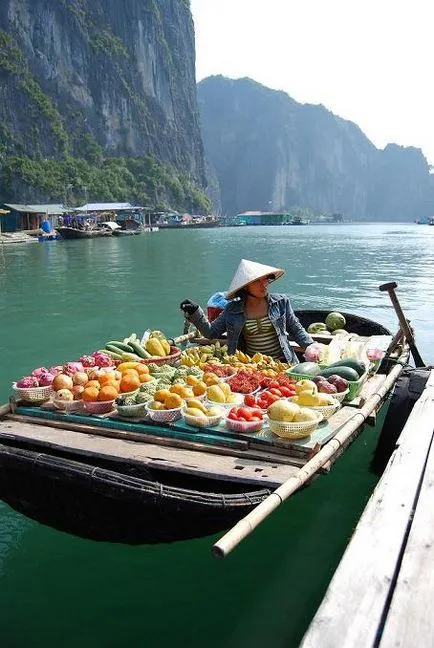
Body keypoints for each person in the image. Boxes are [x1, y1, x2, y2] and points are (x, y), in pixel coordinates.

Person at [180, 259, 313, 364]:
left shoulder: (281, 302)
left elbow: (296, 329)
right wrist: (195, 312)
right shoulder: (232, 309)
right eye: (257, 281)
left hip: (284, 363)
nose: (264, 283)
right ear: (245, 287)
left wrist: (311, 346)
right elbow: (211, 333)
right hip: (251, 366)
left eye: (265, 279)